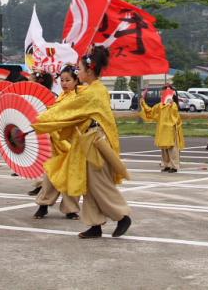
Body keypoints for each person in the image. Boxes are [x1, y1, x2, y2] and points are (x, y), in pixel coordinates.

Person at [33, 46, 132, 239]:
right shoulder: (94, 89)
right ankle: (95, 225)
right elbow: (68, 111)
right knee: (88, 184)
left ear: (90, 70)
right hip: (89, 142)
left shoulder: (91, 93)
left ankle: (122, 216)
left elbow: (66, 110)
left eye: (79, 69)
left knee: (99, 184)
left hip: (95, 144)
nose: (77, 72)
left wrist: (37, 121)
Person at [33, 64, 81, 220]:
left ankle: (71, 209)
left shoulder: (80, 98)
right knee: (50, 177)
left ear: (76, 80)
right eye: (62, 80)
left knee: (72, 178)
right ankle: (43, 205)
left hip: (73, 144)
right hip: (57, 144)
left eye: (68, 80)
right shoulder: (59, 98)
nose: (64, 83)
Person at [139, 95, 184, 172]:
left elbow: (176, 116)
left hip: (171, 130)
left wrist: (171, 104)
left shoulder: (173, 105)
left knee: (172, 149)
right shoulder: (159, 106)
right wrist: (143, 103)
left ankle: (174, 166)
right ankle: (167, 165)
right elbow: (150, 111)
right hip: (162, 130)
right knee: (164, 149)